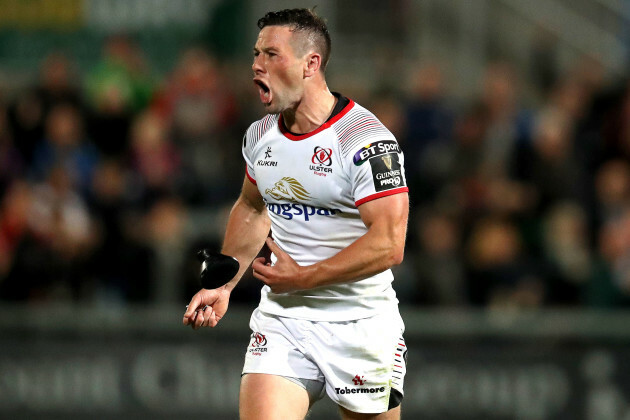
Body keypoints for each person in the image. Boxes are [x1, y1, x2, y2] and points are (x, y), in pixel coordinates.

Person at [183, 8, 409, 420]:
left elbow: (390, 244)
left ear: (311, 64)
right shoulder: (260, 136)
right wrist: (227, 282)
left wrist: (304, 277)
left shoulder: (365, 141)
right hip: (284, 320)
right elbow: (253, 207)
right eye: (255, 54)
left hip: (360, 323)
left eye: (272, 54)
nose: (256, 64)